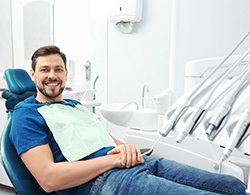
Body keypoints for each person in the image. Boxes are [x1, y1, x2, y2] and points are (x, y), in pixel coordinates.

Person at [10, 45, 246, 195]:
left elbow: (107, 141)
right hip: (102, 181)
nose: (52, 75)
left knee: (233, 186)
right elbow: (49, 179)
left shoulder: (75, 106)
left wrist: (128, 148)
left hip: (137, 163)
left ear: (65, 74)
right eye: (44, 70)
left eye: (58, 69)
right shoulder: (26, 114)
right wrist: (113, 162)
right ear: (33, 75)